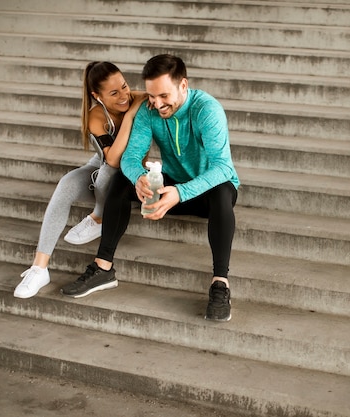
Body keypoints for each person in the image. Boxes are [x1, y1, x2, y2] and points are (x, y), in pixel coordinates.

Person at [60, 54, 240, 322]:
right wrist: (139, 178)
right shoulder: (149, 110)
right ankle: (103, 269)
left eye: (163, 96)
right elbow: (130, 158)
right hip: (172, 186)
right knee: (121, 178)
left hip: (207, 193)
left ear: (183, 86)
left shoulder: (206, 109)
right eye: (152, 96)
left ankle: (220, 283)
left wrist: (180, 193)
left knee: (223, 190)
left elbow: (223, 168)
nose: (156, 104)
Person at [14, 61, 148, 299]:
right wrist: (129, 118)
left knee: (107, 173)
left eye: (125, 87)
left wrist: (133, 109)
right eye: (114, 93)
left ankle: (98, 217)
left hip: (131, 174)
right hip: (102, 169)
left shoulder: (137, 99)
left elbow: (120, 164)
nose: (124, 96)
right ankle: (39, 268)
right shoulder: (96, 115)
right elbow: (112, 159)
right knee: (67, 183)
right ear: (97, 96)